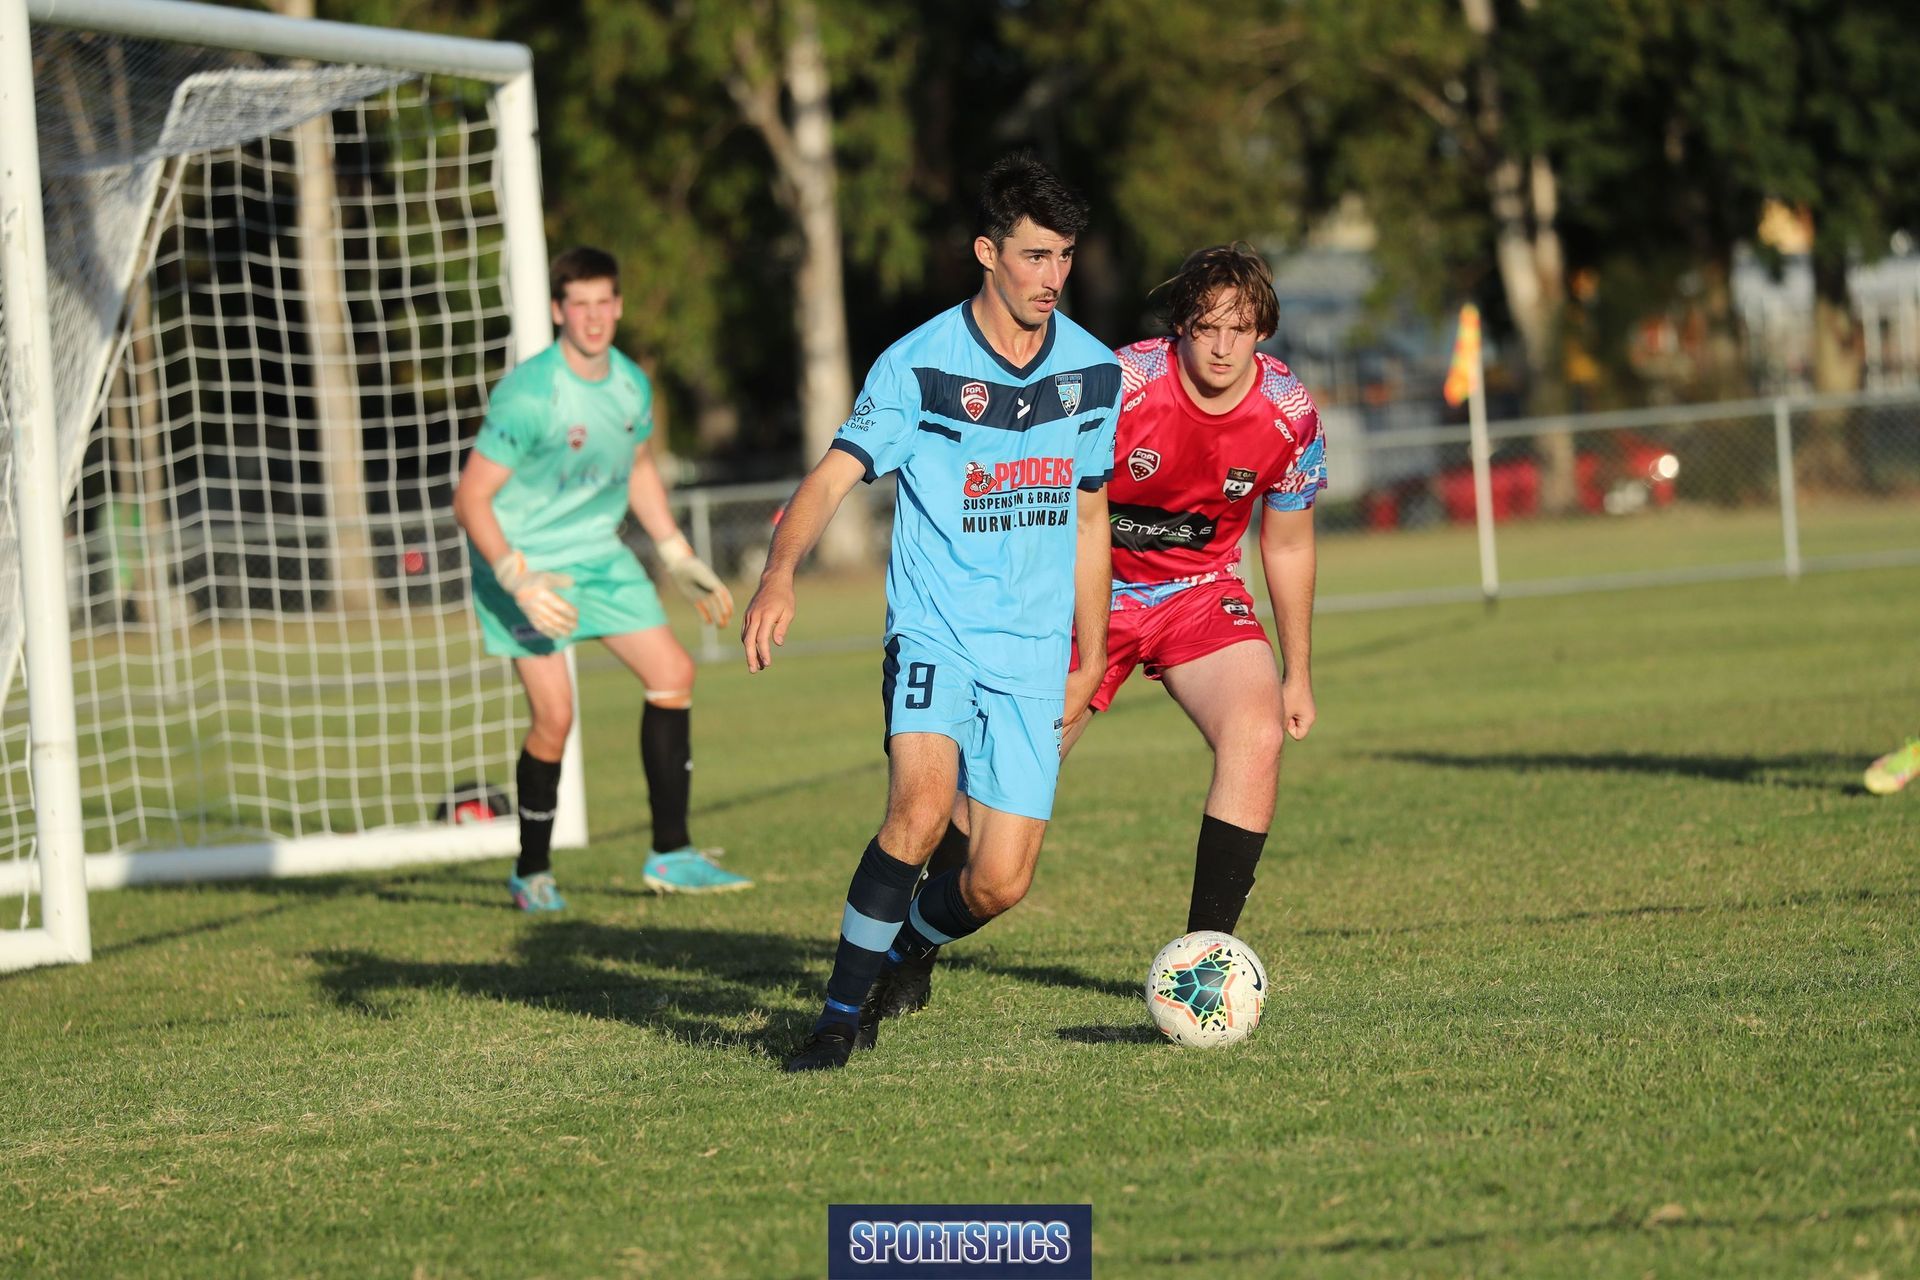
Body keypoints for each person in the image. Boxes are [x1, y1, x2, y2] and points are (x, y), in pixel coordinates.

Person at [868, 242, 1327, 1023]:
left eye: (1240, 329)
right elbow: (1037, 489)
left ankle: (1203, 971)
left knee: (1256, 736)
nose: (1222, 346)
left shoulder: (1290, 413)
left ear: (1263, 332)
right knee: (982, 814)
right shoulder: (1118, 385)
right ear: (1178, 327)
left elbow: (1286, 542)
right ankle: (912, 948)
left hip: (1199, 594)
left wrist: (1298, 670)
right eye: (1206, 327)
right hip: (1085, 598)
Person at [741, 154, 1120, 1071]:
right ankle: (836, 1020)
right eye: (1034, 256)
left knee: (998, 883)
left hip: (1034, 649)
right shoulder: (916, 365)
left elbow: (1090, 513)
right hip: (936, 627)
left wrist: (1093, 653)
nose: (1052, 278)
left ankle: (906, 949)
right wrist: (778, 573)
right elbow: (832, 479)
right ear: (987, 253)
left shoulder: (1095, 372)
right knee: (916, 812)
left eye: (1064, 256)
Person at [453, 246, 750, 911]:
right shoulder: (531, 393)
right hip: (525, 563)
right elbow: (471, 498)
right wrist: (515, 577)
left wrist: (676, 554)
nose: (592, 317)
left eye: (603, 302)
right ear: (559, 310)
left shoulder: (631, 385)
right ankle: (532, 872)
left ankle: (671, 855)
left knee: (674, 673)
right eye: (578, 304)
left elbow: (638, 468)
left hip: (599, 553)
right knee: (554, 716)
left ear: (617, 306)